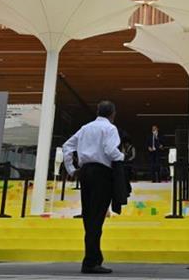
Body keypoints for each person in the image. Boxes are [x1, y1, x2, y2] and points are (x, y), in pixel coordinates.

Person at [62, 100, 125, 275]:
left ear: (98, 111)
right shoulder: (110, 129)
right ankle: (91, 261)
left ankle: (93, 258)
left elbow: (67, 146)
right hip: (101, 174)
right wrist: (122, 157)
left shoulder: (85, 128)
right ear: (113, 113)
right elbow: (110, 150)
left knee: (89, 217)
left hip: (85, 172)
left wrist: (71, 169)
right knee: (97, 218)